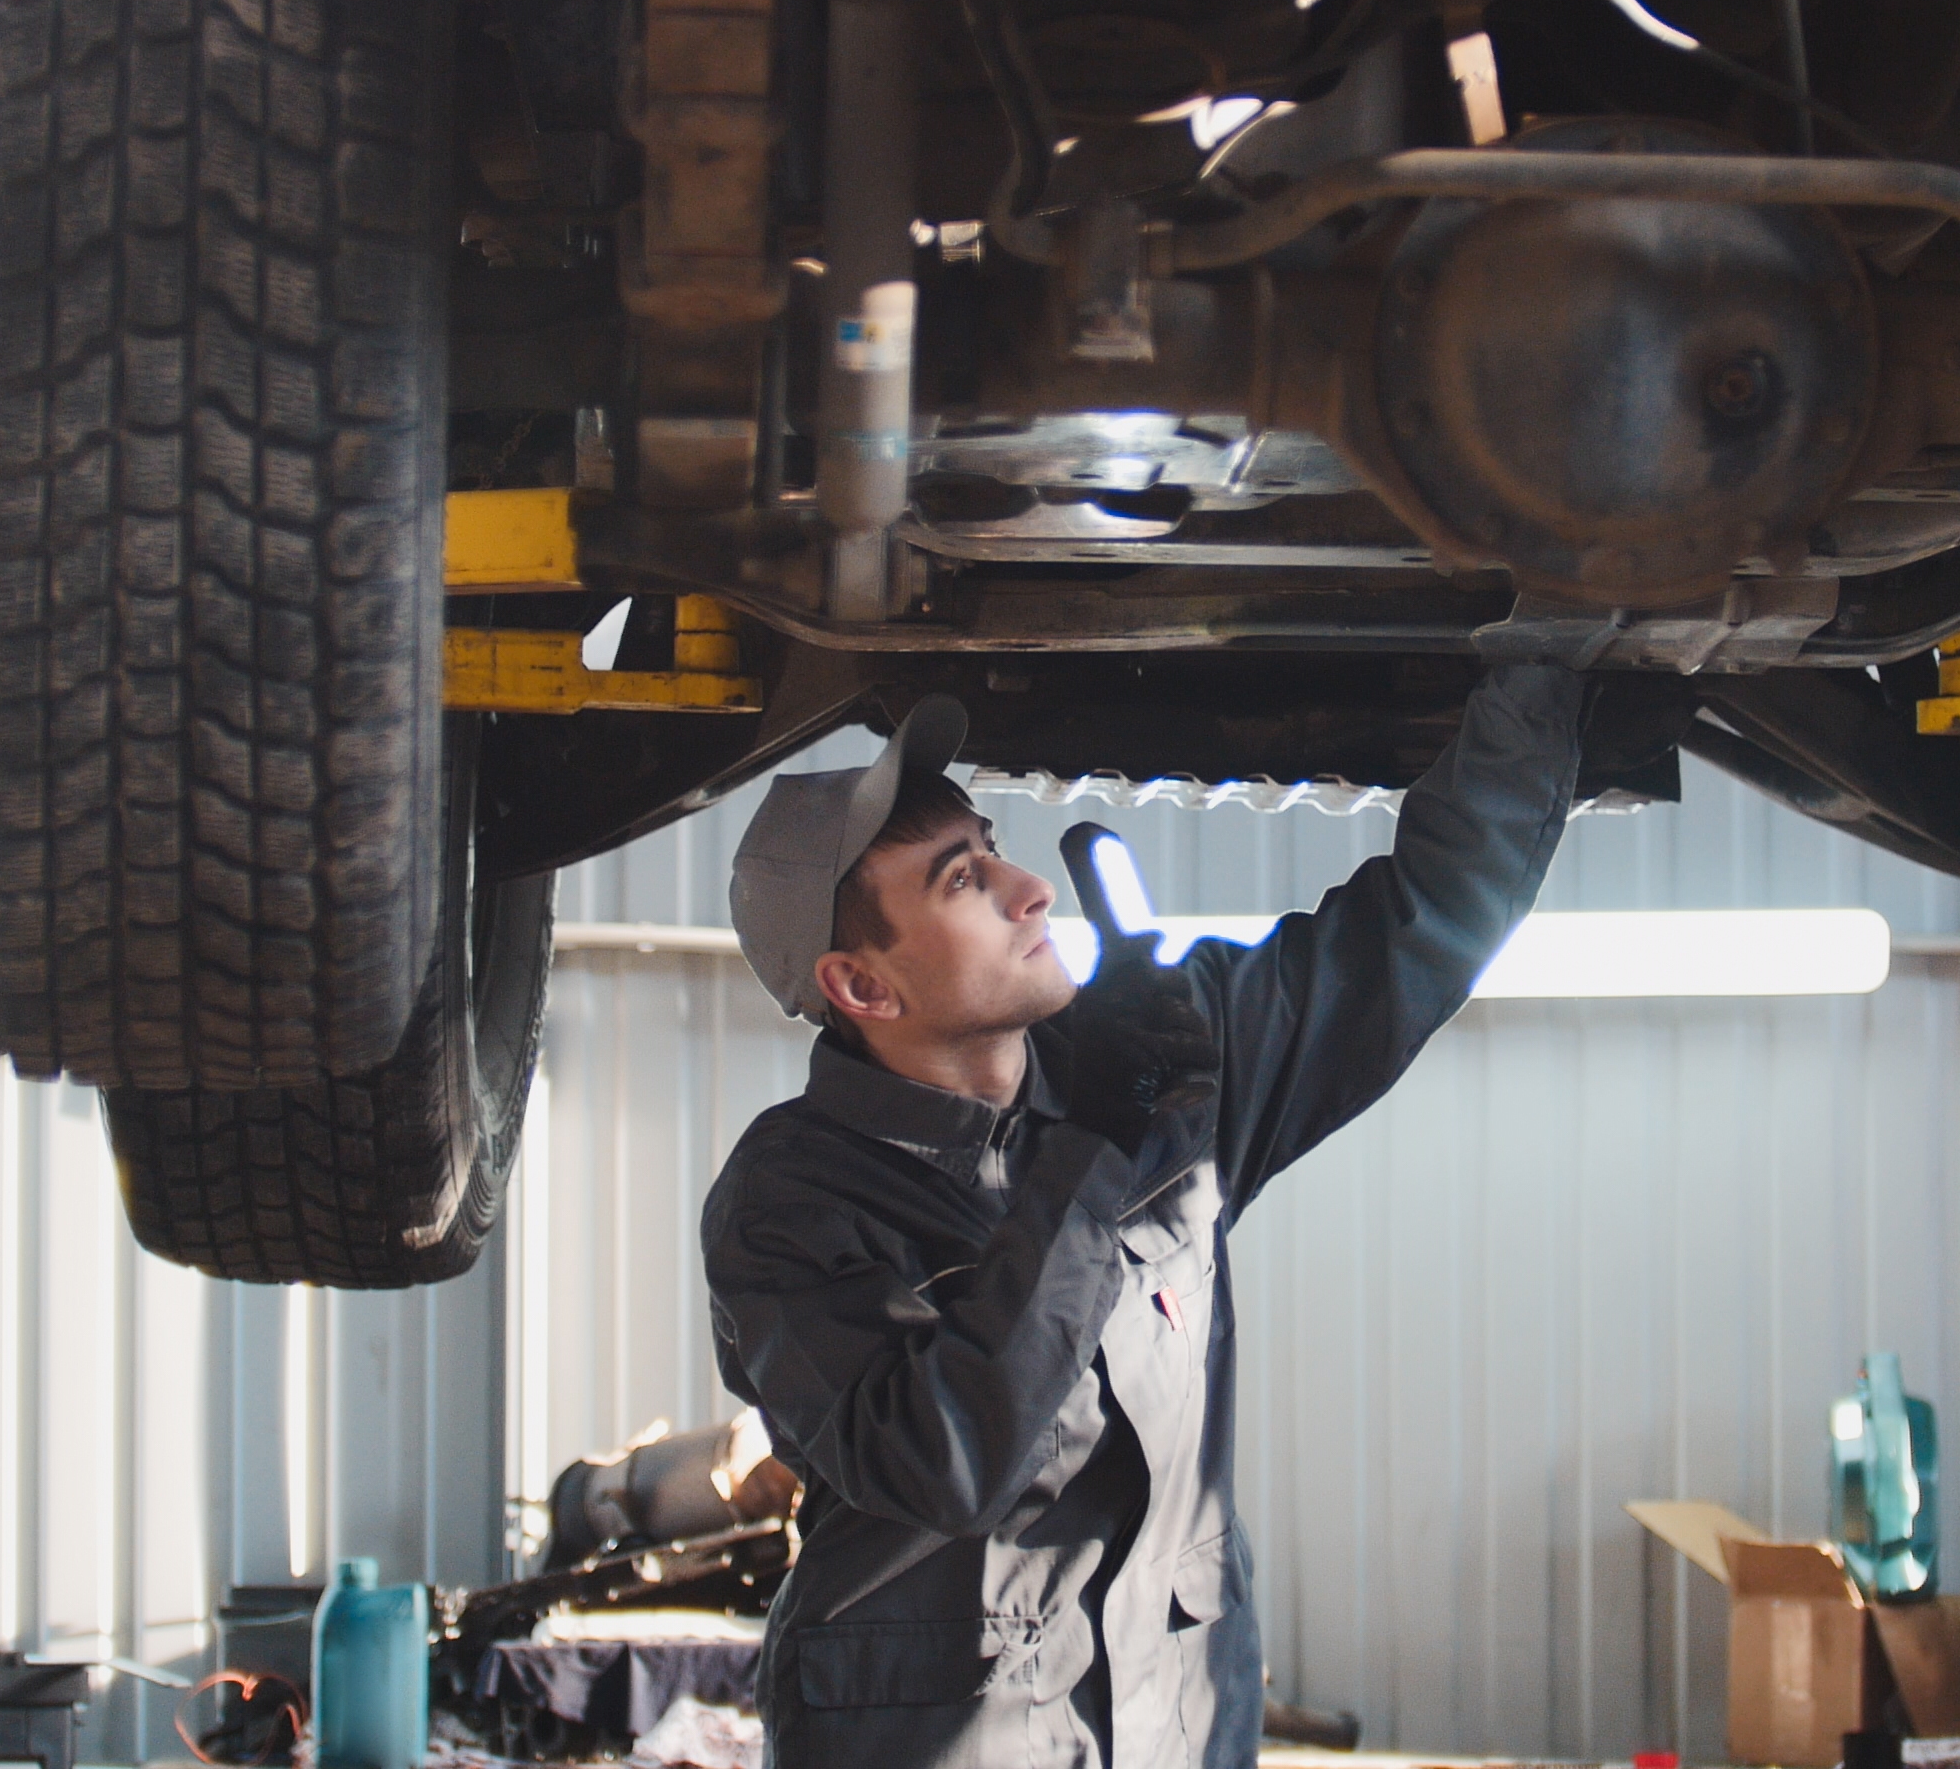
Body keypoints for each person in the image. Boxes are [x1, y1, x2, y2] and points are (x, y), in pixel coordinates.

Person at [702, 664, 1639, 1768]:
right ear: (864, 988)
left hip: (1177, 1724)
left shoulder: (1161, 1055)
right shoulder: (789, 1201)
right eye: (963, 881)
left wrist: (1544, 664)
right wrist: (1094, 1155)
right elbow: (946, 1458)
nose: (1027, 887)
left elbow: (1415, 931)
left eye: (994, 844)